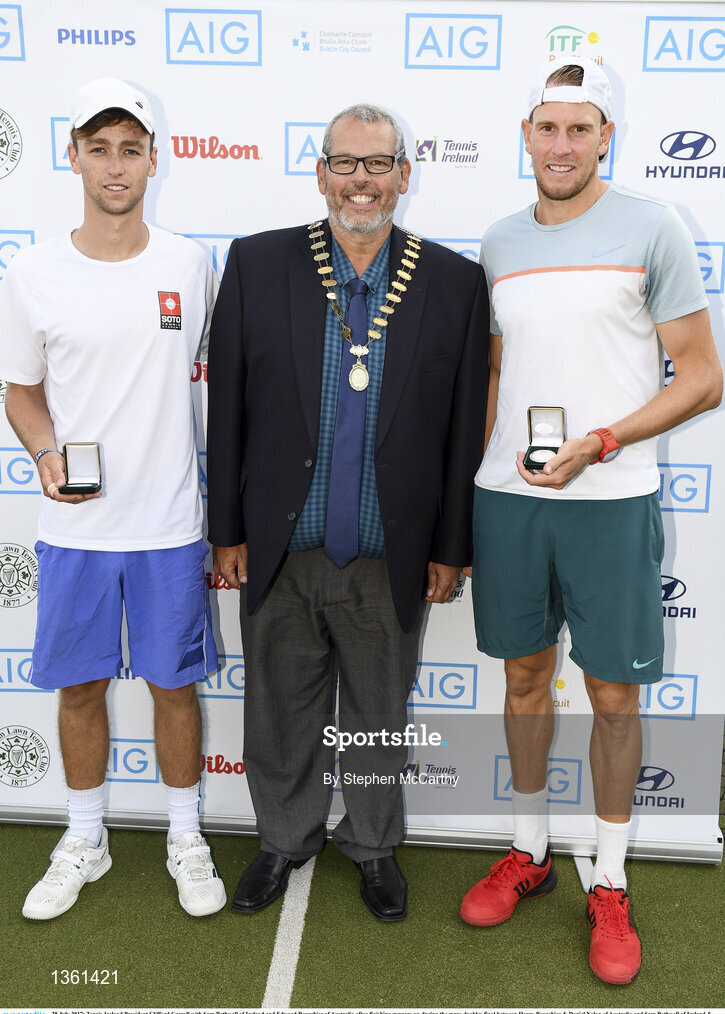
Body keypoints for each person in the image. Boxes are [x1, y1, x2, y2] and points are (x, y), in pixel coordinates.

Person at [460, 55, 722, 984]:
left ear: (605, 135)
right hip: (509, 499)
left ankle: (607, 878)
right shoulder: (495, 240)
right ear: (524, 134)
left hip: (611, 500)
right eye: (546, 126)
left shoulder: (653, 226)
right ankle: (529, 853)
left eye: (580, 128)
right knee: (525, 676)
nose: (561, 144)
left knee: (612, 694)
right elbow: (492, 378)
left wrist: (604, 440)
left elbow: (701, 375)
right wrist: (472, 491)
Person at [207, 103, 488, 921]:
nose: (360, 180)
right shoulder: (258, 265)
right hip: (280, 544)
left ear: (404, 174)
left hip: (387, 548)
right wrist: (227, 528)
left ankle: (371, 846)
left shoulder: (453, 281)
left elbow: (463, 425)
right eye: (344, 163)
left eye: (377, 164)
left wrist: (450, 544)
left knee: (374, 713)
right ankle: (282, 840)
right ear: (320, 171)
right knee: (279, 706)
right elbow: (228, 408)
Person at [0, 78, 226, 920]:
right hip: (75, 529)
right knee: (81, 689)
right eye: (99, 148)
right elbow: (20, 392)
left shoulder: (187, 264)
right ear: (73, 156)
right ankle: (84, 838)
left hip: (169, 524)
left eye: (131, 148)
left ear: (153, 160)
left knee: (175, 688)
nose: (115, 165)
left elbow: (213, 380)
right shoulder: (30, 272)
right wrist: (44, 451)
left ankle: (184, 835)